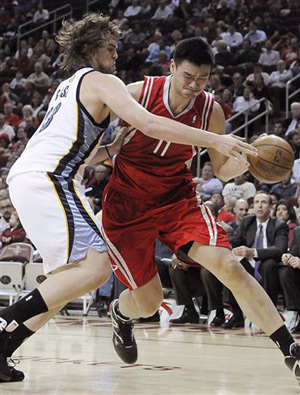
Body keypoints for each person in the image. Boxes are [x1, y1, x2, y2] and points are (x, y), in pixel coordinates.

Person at [0, 14, 256, 383]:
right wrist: (215, 140)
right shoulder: (102, 80)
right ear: (90, 49)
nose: (116, 55)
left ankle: (5, 348)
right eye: (110, 48)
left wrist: (111, 150)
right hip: (51, 178)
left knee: (68, 279)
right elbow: (150, 123)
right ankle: (4, 324)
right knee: (97, 268)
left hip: (30, 176)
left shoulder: (69, 86)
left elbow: (83, 153)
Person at [101, 37, 300, 384]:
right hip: (128, 204)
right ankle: (120, 313)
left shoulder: (211, 110)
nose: (194, 85)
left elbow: (221, 170)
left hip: (177, 200)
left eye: (203, 78)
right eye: (188, 76)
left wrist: (247, 162)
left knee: (228, 264)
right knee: (147, 303)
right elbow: (94, 145)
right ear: (172, 67)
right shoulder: (136, 94)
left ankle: (290, 350)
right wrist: (108, 148)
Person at [223, 191, 288, 328]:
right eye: (256, 203)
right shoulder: (248, 221)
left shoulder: (279, 225)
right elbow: (235, 241)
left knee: (268, 264)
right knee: (232, 263)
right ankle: (237, 314)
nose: (259, 206)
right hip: (249, 265)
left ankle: (269, 314)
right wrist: (225, 243)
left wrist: (253, 252)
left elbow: (279, 249)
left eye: (263, 202)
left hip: (267, 265)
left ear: (271, 207)